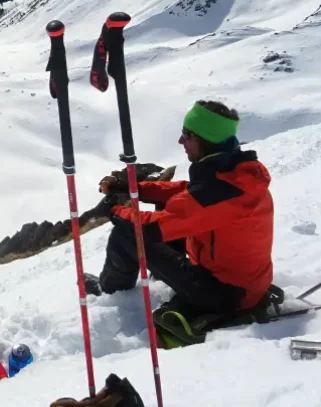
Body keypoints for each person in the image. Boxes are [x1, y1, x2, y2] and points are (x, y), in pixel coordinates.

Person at [89, 100, 274, 315]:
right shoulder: (236, 176)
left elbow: (148, 228)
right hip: (245, 283)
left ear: (204, 140)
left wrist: (114, 209)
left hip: (224, 295)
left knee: (127, 233)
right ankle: (160, 277)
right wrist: (137, 188)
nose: (180, 140)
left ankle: (111, 292)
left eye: (187, 135)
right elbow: (187, 194)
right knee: (166, 211)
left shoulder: (215, 195)